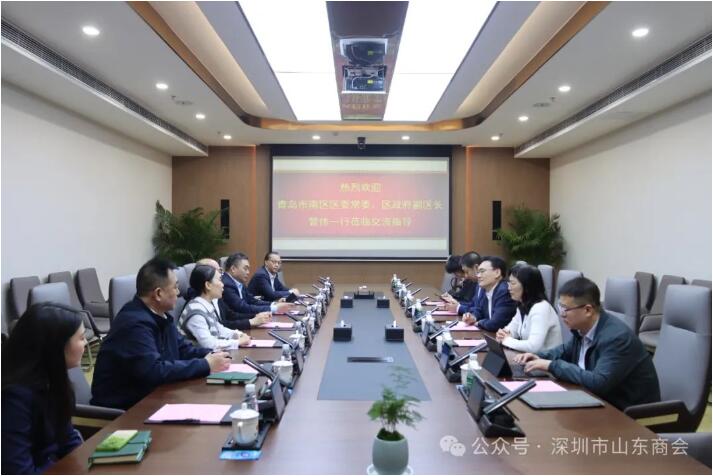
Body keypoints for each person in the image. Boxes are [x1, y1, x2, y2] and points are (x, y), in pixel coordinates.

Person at [91, 257, 231, 410]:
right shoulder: (134, 324)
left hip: (154, 395)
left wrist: (213, 354)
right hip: (125, 409)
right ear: (158, 294)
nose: (179, 293)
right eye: (175, 287)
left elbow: (183, 349)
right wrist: (205, 364)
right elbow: (153, 370)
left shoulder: (160, 315)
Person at [513, 277, 660, 410]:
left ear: (588, 310)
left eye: (565, 309)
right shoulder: (582, 329)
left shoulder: (617, 338)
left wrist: (551, 365)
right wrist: (538, 356)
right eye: (560, 308)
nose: (561, 314)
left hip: (627, 414)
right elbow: (565, 351)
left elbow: (598, 382)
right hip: (596, 401)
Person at [2, 303, 86, 474]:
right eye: (81, 338)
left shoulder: (52, 379)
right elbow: (18, 470)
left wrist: (85, 463)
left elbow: (68, 438)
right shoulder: (14, 398)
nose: (86, 343)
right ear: (56, 347)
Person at [179, 265, 251, 349]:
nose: (223, 284)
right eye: (220, 280)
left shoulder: (205, 306)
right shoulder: (196, 313)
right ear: (208, 285)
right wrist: (238, 342)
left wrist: (238, 334)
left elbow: (219, 329)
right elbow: (209, 345)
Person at [189, 258, 271, 331]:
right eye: (216, 272)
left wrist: (255, 316)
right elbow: (221, 326)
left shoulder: (214, 297)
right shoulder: (197, 304)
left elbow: (231, 315)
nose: (221, 277)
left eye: (220, 271)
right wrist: (250, 322)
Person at [495, 264, 562, 352]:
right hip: (529, 357)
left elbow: (533, 346)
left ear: (527, 286)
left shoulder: (541, 308)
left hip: (546, 359)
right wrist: (503, 334)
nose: (509, 288)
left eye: (513, 283)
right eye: (509, 283)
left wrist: (506, 340)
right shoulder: (523, 305)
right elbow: (511, 330)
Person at [449, 256, 516, 331]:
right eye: (478, 272)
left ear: (497, 273)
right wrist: (473, 317)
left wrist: (478, 323)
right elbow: (479, 310)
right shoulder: (487, 288)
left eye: (482, 271)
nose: (478, 276)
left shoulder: (504, 291)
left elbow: (495, 323)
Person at [222, 252, 294, 316]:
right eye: (245, 269)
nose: (248, 272)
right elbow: (243, 307)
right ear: (233, 269)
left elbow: (252, 301)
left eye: (279, 263)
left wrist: (274, 304)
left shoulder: (239, 283)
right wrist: (274, 308)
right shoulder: (226, 284)